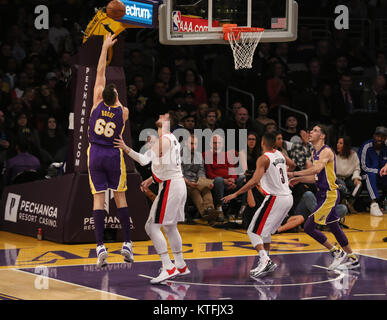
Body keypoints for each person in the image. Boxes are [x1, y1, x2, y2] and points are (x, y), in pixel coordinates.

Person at [115, 113, 190, 284]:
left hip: (171, 186)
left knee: (151, 226)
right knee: (170, 227)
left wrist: (125, 147)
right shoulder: (168, 140)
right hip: (176, 184)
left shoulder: (164, 140)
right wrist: (152, 179)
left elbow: (143, 160)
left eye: (165, 115)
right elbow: (165, 167)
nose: (161, 115)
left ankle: (168, 267)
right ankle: (180, 264)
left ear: (168, 122)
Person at [87, 34, 133, 269]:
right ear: (116, 97)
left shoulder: (96, 102)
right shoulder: (122, 111)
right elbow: (116, 99)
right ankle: (126, 243)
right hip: (114, 154)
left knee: (98, 199)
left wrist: (104, 48)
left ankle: (99, 246)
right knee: (120, 197)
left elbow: (100, 72)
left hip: (95, 153)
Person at [222, 132, 294, 278]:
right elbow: (292, 165)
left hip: (276, 198)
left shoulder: (263, 159)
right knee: (265, 232)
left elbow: (254, 181)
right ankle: (265, 261)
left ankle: (265, 260)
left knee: (252, 231)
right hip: (288, 197)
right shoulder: (280, 154)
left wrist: (235, 194)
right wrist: (284, 178)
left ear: (262, 143)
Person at [288, 124, 359, 270]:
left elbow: (317, 168)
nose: (311, 132)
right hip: (321, 194)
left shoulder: (326, 151)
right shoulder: (315, 151)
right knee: (334, 226)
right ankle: (352, 257)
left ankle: (336, 252)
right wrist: (300, 180)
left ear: (322, 136)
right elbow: (316, 177)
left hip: (329, 194)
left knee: (308, 226)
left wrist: (295, 173)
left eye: (315, 130)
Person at [181, 133, 220, 223]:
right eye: (191, 144)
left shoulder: (198, 155)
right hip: (185, 182)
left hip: (196, 180)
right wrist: (189, 183)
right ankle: (205, 213)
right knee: (195, 191)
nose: (193, 146)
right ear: (186, 143)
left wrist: (204, 181)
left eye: (195, 144)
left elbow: (201, 171)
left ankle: (210, 210)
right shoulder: (180, 155)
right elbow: (179, 173)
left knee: (206, 189)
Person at [357, 126, 387, 216]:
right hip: (365, 176)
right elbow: (363, 167)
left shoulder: (385, 147)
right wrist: (379, 171)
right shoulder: (366, 146)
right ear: (374, 136)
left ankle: (383, 202)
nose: (380, 139)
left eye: (383, 136)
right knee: (370, 175)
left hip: (381, 176)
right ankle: (374, 204)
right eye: (378, 136)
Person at [335, 136, 362, 213]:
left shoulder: (353, 155)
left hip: (348, 178)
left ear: (346, 145)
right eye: (337, 143)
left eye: (340, 143)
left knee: (358, 184)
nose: (338, 145)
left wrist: (356, 178)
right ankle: (345, 203)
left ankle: (350, 203)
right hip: (337, 179)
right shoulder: (333, 155)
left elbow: (357, 168)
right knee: (342, 185)